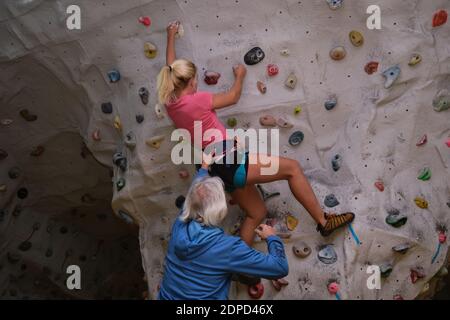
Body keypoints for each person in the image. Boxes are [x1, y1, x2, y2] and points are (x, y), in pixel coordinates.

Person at [156, 21, 355, 246]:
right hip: (228, 159)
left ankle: (241, 264)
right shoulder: (197, 100)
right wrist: (240, 75)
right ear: (189, 81)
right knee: (292, 169)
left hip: (213, 168)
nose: (197, 84)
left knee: (256, 213)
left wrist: (170, 35)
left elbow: (171, 65)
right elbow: (232, 98)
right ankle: (323, 221)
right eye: (195, 82)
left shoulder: (170, 102)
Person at [158, 155, 288, 300]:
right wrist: (272, 238)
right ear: (221, 209)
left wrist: (204, 168)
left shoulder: (180, 223)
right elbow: (280, 268)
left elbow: (193, 195)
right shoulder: (228, 247)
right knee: (238, 265)